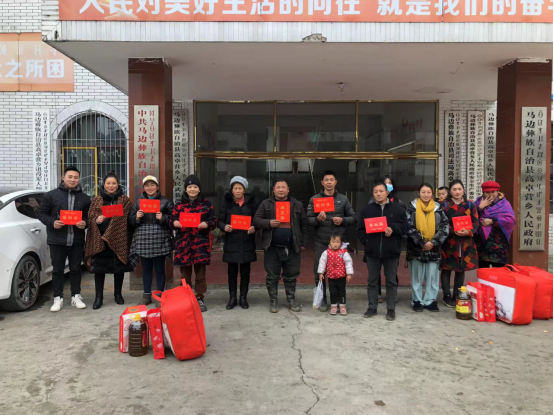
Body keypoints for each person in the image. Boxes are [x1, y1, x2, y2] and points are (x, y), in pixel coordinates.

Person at [38, 166, 91, 312]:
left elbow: (88, 217)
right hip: (57, 240)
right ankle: (58, 298)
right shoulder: (51, 195)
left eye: (76, 177)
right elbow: (41, 213)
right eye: (70, 177)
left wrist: (85, 223)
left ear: (79, 179)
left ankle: (76, 296)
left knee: (76, 269)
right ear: (63, 178)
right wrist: (52, 222)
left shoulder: (84, 198)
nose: (73, 180)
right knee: (58, 270)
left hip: (77, 240)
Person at [254, 179, 309, 314]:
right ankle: (273, 300)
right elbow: (256, 220)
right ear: (273, 190)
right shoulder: (266, 203)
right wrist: (268, 223)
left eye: (283, 187)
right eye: (278, 187)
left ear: (288, 190)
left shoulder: (297, 204)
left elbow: (304, 225)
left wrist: (304, 243)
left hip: (292, 247)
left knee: (291, 275)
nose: (280, 189)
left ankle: (291, 300)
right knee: (272, 276)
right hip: (272, 247)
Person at [356, 182, 408, 322]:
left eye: (381, 191)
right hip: (372, 252)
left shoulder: (397, 209)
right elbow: (360, 230)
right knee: (372, 281)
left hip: (391, 252)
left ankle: (391, 309)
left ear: (387, 193)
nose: (378, 194)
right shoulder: (367, 210)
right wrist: (368, 242)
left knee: (391, 281)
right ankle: (372, 307)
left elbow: (405, 227)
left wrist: (393, 228)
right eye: (375, 191)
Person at [307, 171, 356, 313]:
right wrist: (318, 219)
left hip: (338, 243)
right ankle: (322, 299)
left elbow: (353, 217)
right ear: (322, 183)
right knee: (319, 270)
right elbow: (309, 220)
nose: (329, 182)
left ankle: (340, 299)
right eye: (326, 180)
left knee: (340, 271)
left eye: (331, 180)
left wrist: (343, 220)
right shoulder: (315, 199)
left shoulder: (343, 199)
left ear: (335, 182)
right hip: (321, 241)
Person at [85, 172, 134, 310]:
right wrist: (97, 220)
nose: (111, 186)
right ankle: (98, 298)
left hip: (119, 239)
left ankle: (118, 295)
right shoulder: (97, 200)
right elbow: (90, 217)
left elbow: (128, 219)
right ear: (104, 185)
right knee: (99, 270)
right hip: (101, 240)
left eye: (114, 183)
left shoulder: (124, 200)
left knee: (119, 269)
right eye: (108, 183)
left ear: (118, 184)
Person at [172, 175, 217, 313]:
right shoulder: (179, 205)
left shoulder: (206, 204)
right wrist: (174, 223)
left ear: (199, 189)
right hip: (184, 245)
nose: (192, 189)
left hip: (200, 245)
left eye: (195, 187)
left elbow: (214, 221)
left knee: (200, 275)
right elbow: (171, 219)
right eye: (189, 187)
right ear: (186, 189)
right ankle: (186, 298)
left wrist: (207, 224)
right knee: (185, 275)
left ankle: (199, 297)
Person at [129, 176, 174, 306]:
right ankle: (146, 295)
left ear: (157, 186)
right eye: (147, 185)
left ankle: (159, 295)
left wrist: (164, 218)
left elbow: (174, 218)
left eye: (152, 185)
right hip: (143, 239)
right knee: (146, 268)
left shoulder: (166, 201)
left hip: (160, 238)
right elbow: (130, 220)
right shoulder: (138, 202)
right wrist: (137, 217)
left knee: (160, 268)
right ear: (143, 188)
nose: (150, 188)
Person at [406, 183, 450, 313]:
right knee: (417, 277)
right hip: (416, 248)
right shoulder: (412, 208)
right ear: (419, 193)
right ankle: (417, 300)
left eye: (429, 192)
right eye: (423, 192)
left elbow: (444, 226)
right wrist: (421, 242)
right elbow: (408, 226)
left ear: (432, 193)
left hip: (434, 248)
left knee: (432, 276)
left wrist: (433, 242)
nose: (426, 195)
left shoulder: (438, 208)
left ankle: (430, 300)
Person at [218, 176, 258, 310]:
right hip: (232, 242)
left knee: (246, 272)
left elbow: (257, 220)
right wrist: (224, 227)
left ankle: (243, 298)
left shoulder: (251, 204)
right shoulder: (226, 203)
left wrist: (254, 227)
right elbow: (220, 220)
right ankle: (232, 298)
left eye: (240, 188)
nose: (238, 191)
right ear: (232, 190)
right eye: (235, 188)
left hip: (247, 241)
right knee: (232, 272)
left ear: (244, 190)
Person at [440, 180, 479, 308]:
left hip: (466, 243)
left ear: (463, 190)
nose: (457, 192)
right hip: (449, 242)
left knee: (461, 269)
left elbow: (476, 222)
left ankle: (457, 294)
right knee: (446, 269)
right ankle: (446, 295)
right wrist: (453, 230)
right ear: (450, 191)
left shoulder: (470, 205)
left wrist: (468, 231)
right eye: (454, 189)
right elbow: (441, 223)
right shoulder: (445, 205)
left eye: (459, 189)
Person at [475, 181, 516, 268]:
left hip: (498, 244)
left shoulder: (504, 204)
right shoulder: (478, 203)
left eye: (493, 192)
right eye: (487, 192)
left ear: (497, 192)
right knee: (483, 272)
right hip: (482, 245)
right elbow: (470, 219)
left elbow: (510, 220)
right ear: (483, 192)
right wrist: (480, 208)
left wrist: (492, 221)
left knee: (499, 273)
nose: (490, 195)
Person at [317, 233, 354, 316]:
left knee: (342, 292)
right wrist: (321, 273)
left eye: (337, 242)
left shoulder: (344, 253)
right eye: (333, 242)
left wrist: (349, 274)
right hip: (331, 277)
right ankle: (333, 306)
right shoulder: (326, 253)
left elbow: (348, 263)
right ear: (329, 242)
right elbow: (322, 263)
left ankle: (342, 306)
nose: (335, 244)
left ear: (341, 243)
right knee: (332, 292)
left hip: (341, 277)